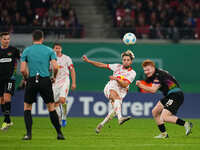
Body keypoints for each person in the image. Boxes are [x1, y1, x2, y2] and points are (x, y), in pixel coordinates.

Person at [20, 30, 65, 140]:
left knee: (27, 107)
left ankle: (28, 134)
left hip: (32, 79)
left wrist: (26, 79)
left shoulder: (27, 51)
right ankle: (59, 133)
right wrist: (53, 77)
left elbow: (22, 70)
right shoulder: (49, 50)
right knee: (51, 107)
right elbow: (55, 67)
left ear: (32, 38)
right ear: (42, 38)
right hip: (45, 80)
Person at [82, 50, 136, 133]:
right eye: (124, 60)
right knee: (116, 97)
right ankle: (120, 118)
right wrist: (89, 61)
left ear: (131, 61)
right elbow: (101, 65)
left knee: (114, 110)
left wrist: (117, 78)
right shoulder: (117, 66)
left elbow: (124, 85)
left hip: (121, 91)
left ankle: (101, 125)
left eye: (128, 60)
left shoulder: (132, 73)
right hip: (110, 87)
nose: (125, 62)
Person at [136, 59, 193, 138]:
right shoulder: (156, 74)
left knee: (164, 117)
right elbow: (149, 82)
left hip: (175, 95)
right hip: (170, 95)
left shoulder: (158, 76)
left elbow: (153, 90)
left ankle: (186, 124)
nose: (146, 72)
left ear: (153, 67)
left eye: (148, 70)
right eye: (145, 70)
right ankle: (164, 134)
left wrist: (140, 85)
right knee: (155, 112)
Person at [52, 43, 76, 127]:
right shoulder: (51, 59)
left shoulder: (66, 58)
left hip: (65, 81)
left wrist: (73, 82)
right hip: (55, 83)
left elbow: (72, 70)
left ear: (61, 49)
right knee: (54, 104)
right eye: (55, 48)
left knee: (62, 100)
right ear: (53, 49)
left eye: (58, 48)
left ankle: (64, 117)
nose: (57, 50)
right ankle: (58, 119)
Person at [0, 32, 20, 131]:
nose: (7, 40)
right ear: (1, 40)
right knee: (1, 100)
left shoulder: (14, 50)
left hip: (10, 78)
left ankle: (5, 121)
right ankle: (8, 121)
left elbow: (22, 59)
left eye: (8, 39)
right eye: (4, 39)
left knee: (7, 96)